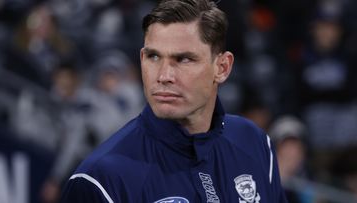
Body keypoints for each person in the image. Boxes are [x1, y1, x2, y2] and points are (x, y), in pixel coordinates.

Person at [60, 0, 287, 202]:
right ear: (141, 58)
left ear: (222, 67)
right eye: (154, 57)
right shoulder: (101, 180)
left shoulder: (254, 143)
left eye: (184, 59)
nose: (164, 76)